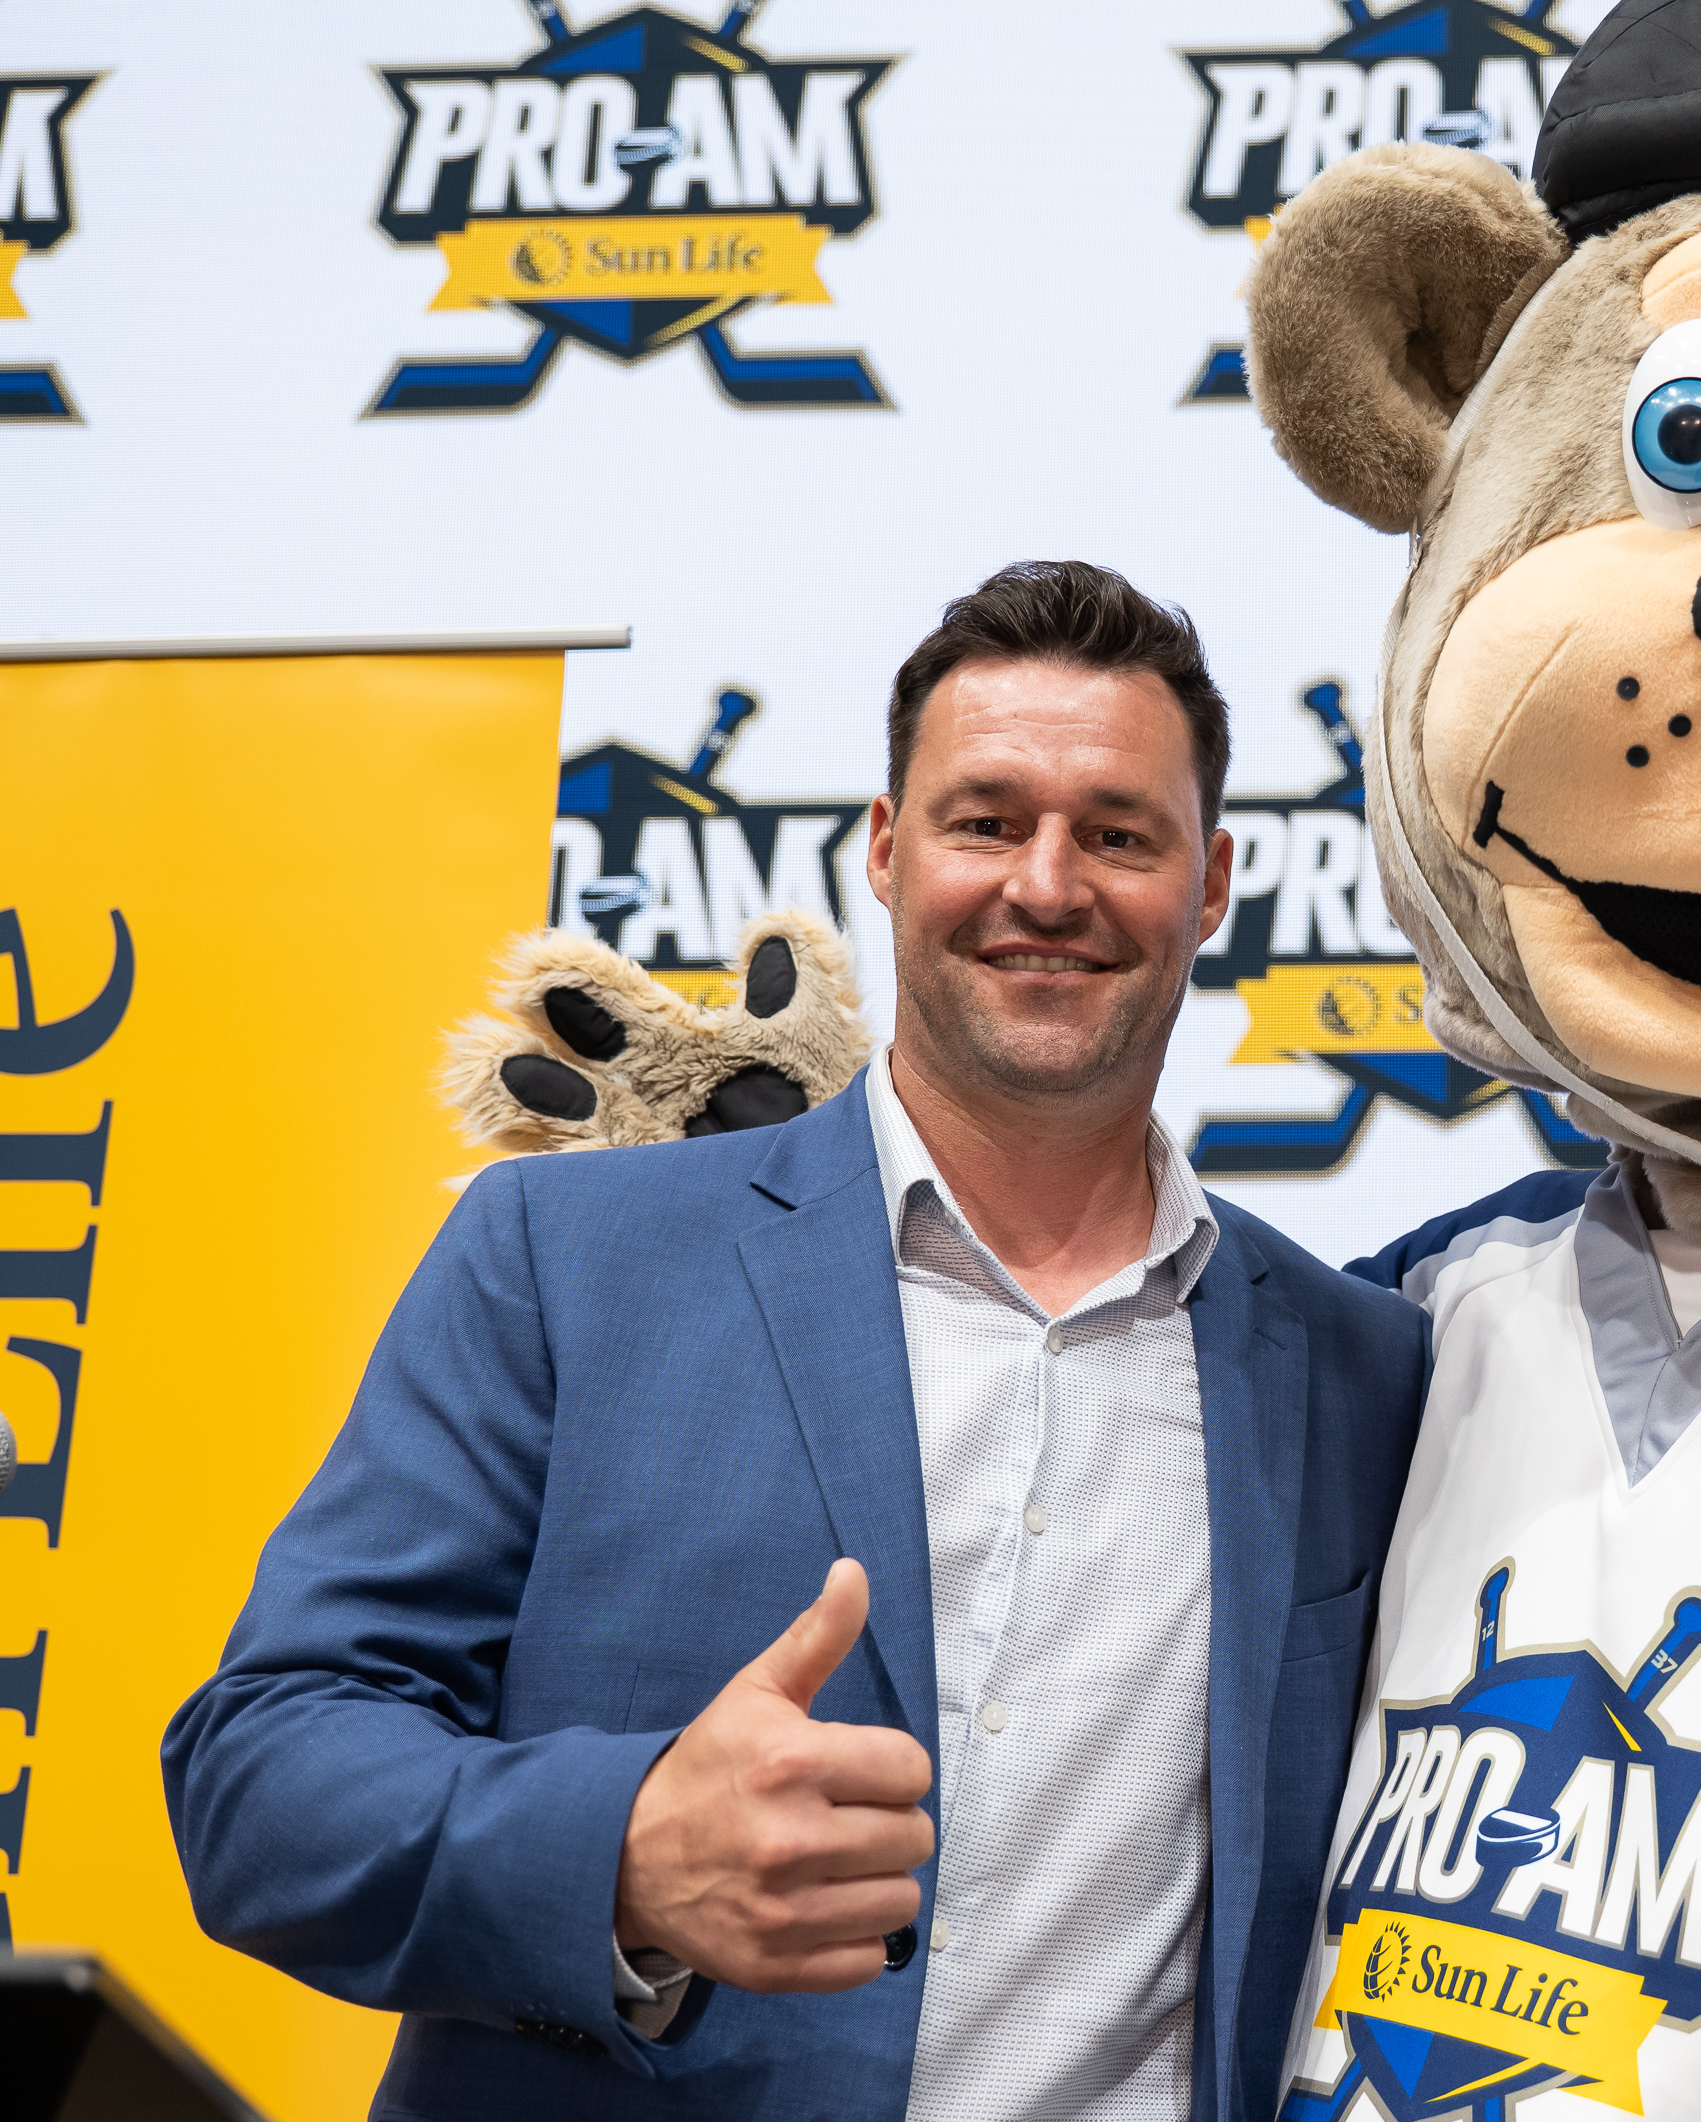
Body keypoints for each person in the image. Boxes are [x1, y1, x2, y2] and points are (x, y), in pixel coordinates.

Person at [164, 562, 1431, 2121]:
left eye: (1119, 833)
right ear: (885, 851)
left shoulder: (1363, 1370)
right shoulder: (562, 1255)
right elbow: (262, 1778)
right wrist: (625, 1850)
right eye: (986, 821)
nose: (1049, 885)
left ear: (1216, 880)